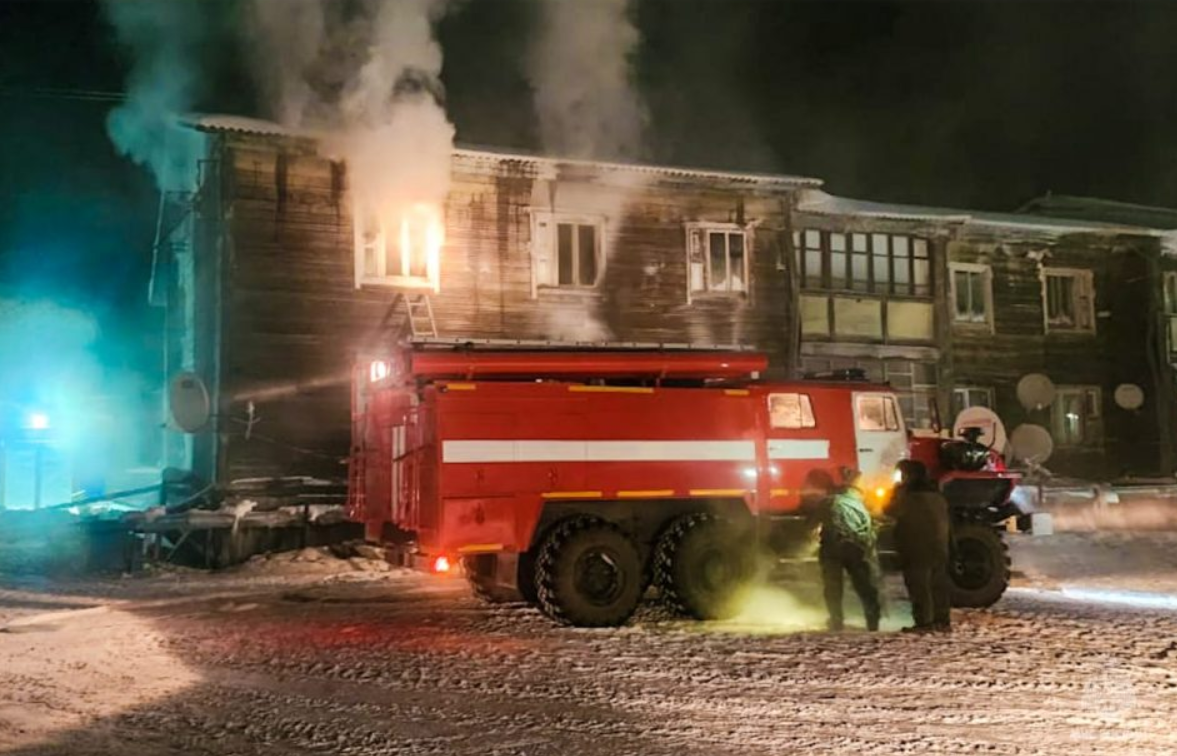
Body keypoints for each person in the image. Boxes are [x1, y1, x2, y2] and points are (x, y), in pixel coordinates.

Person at [805, 467, 882, 632]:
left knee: (833, 586)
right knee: (864, 585)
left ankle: (836, 620)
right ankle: (872, 620)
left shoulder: (827, 502)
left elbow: (811, 526)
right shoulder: (860, 505)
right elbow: (871, 528)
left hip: (832, 548)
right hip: (856, 549)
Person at [890, 459, 952, 633]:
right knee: (938, 585)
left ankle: (924, 623)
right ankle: (942, 621)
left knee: (919, 586)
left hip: (916, 547)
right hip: (939, 546)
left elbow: (890, 511)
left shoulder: (910, 496)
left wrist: (895, 493)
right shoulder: (937, 495)